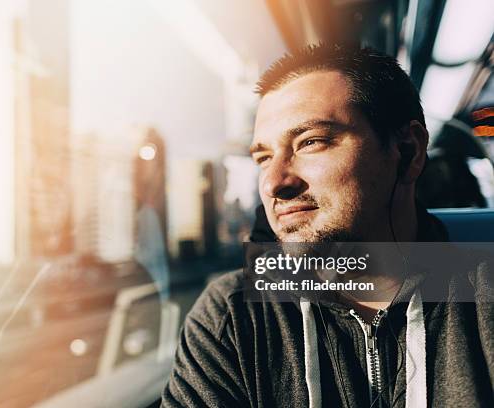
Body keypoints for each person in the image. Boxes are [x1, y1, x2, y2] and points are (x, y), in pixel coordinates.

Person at [161, 43, 493, 407]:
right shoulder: (235, 316)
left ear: (408, 151)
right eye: (264, 156)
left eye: (310, 142)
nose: (273, 183)